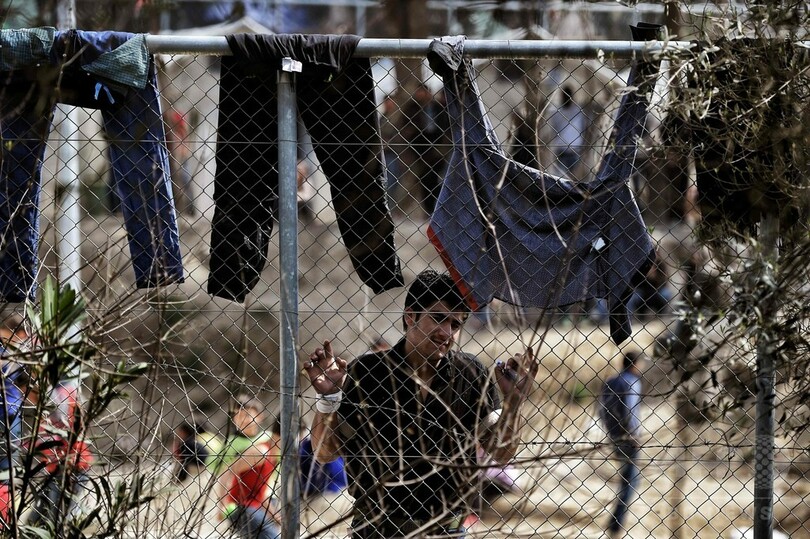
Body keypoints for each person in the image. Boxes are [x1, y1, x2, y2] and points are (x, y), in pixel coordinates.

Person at [304, 269, 538, 538]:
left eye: (455, 325)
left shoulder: (470, 373)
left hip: (446, 530)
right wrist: (329, 399)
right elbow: (325, 453)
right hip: (377, 529)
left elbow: (502, 453)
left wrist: (513, 404)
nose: (446, 333)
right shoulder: (367, 373)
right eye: (437, 318)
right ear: (410, 315)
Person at [26, 380, 94, 527]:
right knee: (35, 522)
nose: (25, 399)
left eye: (25, 392)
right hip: (55, 472)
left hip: (71, 470)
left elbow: (57, 434)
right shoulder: (48, 408)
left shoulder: (59, 401)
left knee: (57, 521)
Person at [212, 394, 280, 539]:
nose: (243, 420)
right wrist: (222, 504)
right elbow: (224, 472)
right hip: (243, 500)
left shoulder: (268, 438)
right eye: (238, 416)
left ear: (259, 417)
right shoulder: (230, 444)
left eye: (248, 415)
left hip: (269, 495)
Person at [599, 351, 645, 538]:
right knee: (631, 480)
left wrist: (610, 430)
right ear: (635, 364)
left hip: (614, 435)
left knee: (627, 477)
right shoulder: (632, 382)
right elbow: (630, 411)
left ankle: (615, 522)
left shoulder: (610, 381)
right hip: (627, 438)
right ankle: (616, 524)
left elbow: (602, 409)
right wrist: (634, 435)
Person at [548, 84, 587, 177]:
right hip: (562, 150)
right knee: (560, 177)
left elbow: (584, 127)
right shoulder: (556, 112)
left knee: (574, 178)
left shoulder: (578, 111)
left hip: (575, 150)